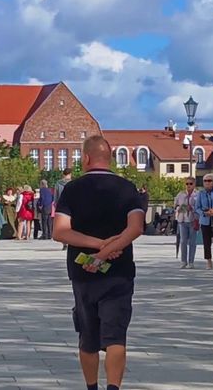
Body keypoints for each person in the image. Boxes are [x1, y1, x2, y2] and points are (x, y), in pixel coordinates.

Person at [53, 135, 145, 390]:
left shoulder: (73, 189)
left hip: (82, 271)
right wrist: (109, 249)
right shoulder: (127, 188)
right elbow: (136, 228)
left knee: (88, 336)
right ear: (111, 158)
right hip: (120, 273)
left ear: (85, 158)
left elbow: (59, 231)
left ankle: (91, 386)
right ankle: (114, 387)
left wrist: (96, 246)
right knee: (116, 337)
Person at [174, 176, 198, 269]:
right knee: (183, 241)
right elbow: (175, 205)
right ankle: (183, 261)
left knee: (192, 242)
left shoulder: (197, 195)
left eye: (190, 184)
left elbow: (199, 207)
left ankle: (191, 262)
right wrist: (180, 208)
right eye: (187, 184)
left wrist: (192, 208)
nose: (188, 185)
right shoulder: (181, 194)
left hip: (193, 220)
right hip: (182, 220)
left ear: (194, 184)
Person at [55, 168, 73, 250]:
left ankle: (64, 243)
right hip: (72, 206)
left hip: (61, 206)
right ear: (70, 174)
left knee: (63, 226)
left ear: (63, 174)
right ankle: (70, 242)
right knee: (71, 225)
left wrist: (56, 204)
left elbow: (56, 195)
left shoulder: (58, 183)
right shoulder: (73, 183)